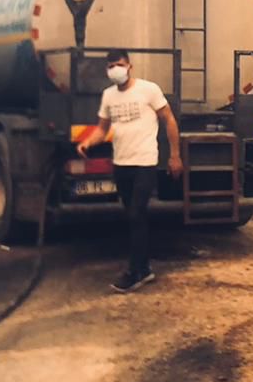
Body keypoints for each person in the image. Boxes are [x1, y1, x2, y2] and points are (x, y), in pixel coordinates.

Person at [76, 50, 183, 293]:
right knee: (134, 216)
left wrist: (175, 155)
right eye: (111, 66)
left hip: (145, 162)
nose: (116, 69)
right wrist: (88, 143)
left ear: (130, 66)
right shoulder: (109, 96)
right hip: (121, 163)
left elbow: (169, 119)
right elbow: (102, 130)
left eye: (120, 65)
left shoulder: (148, 89)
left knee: (136, 213)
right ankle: (144, 269)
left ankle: (133, 272)